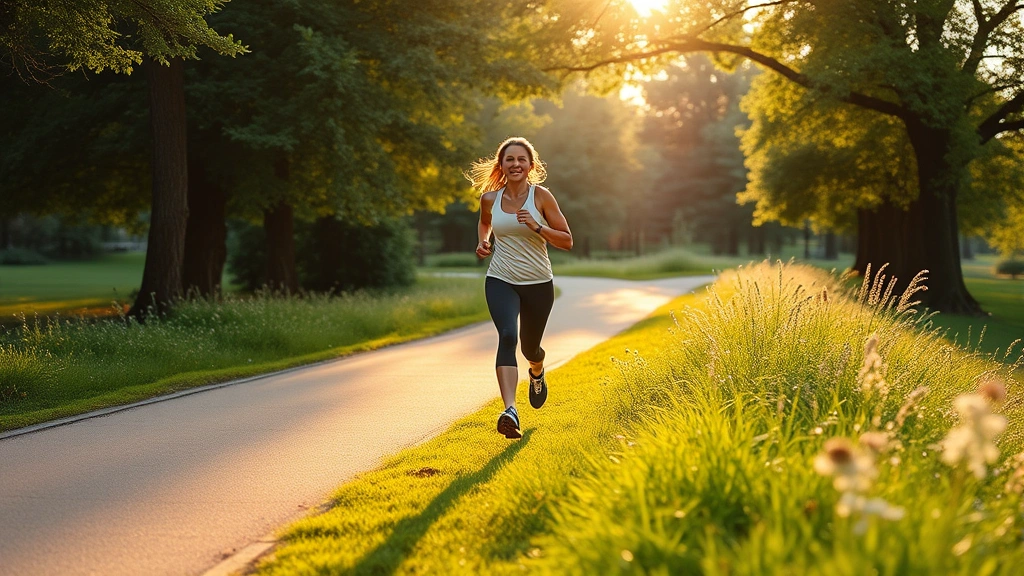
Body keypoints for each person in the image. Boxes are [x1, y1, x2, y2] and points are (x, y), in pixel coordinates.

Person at [466, 137, 573, 439]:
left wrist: (537, 227)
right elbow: (485, 223)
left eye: (521, 159)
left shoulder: (541, 197)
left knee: (530, 347)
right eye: (509, 159)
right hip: (500, 278)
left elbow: (567, 240)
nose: (515, 164)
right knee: (507, 335)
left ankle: (536, 371)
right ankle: (509, 410)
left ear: (530, 165)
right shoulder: (490, 199)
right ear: (501, 165)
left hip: (538, 282)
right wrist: (483, 242)